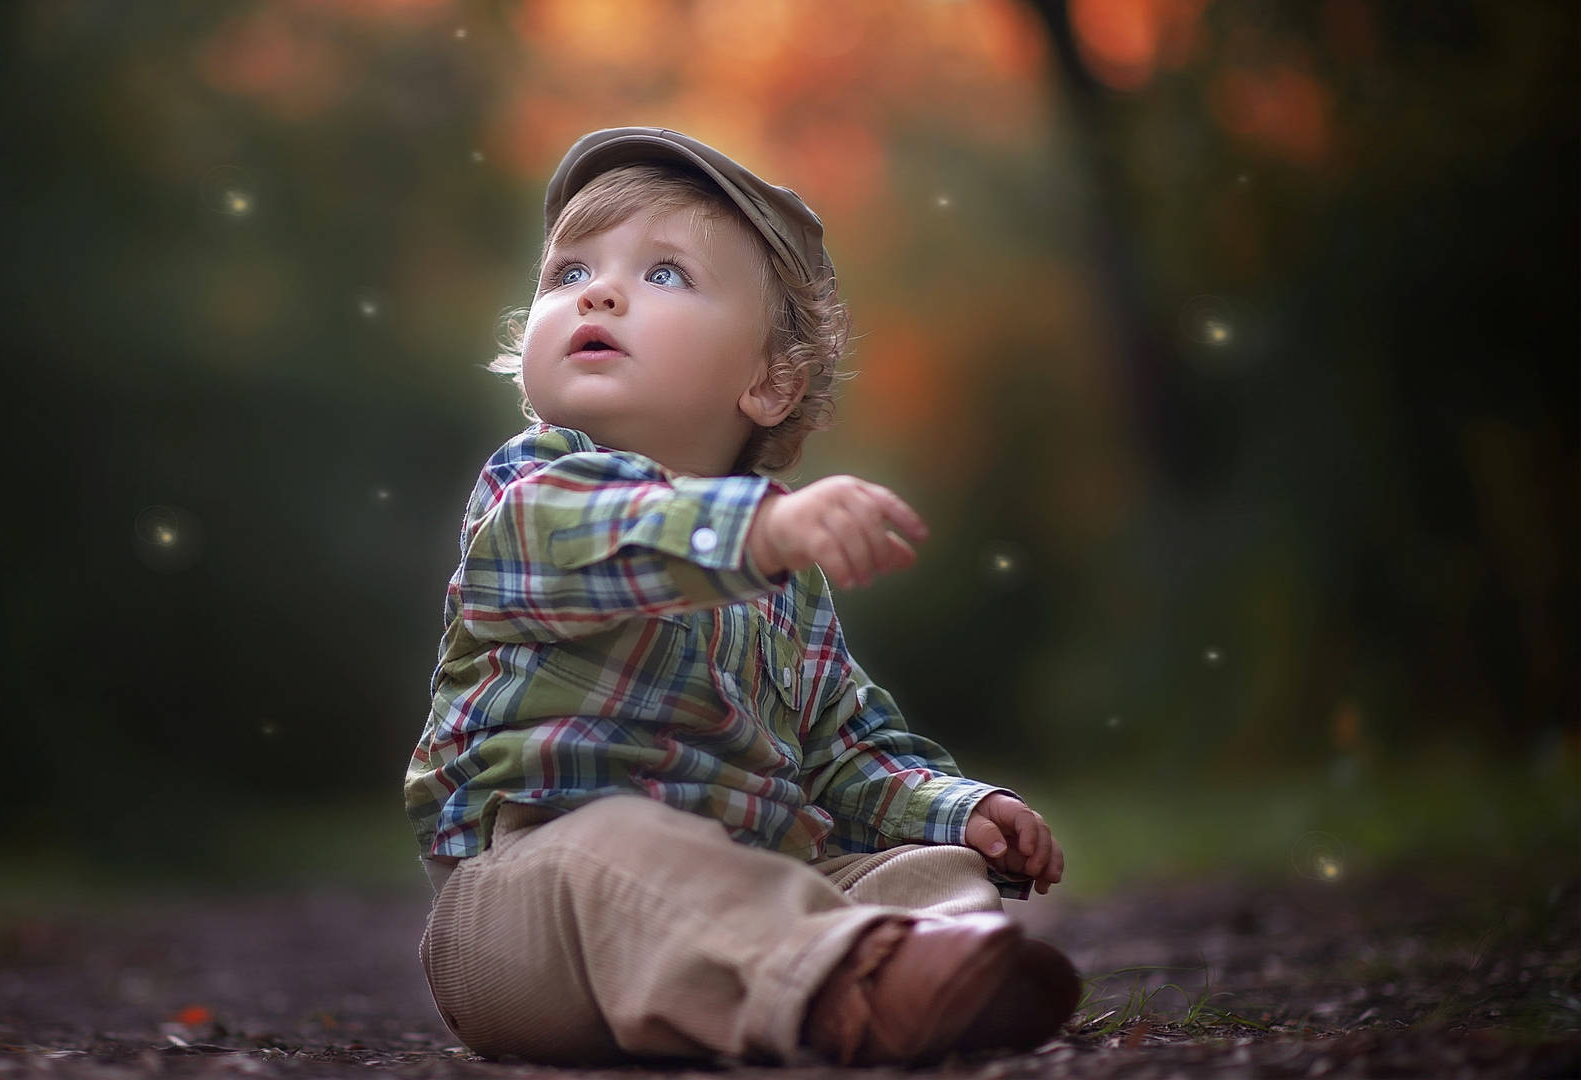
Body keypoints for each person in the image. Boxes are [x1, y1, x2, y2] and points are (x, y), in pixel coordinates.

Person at [403, 126, 1079, 1066]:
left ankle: (938, 967)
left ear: (770, 381)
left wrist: (957, 810)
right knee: (622, 848)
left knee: (925, 870)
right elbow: (578, 544)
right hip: (531, 910)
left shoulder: (787, 586)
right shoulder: (532, 487)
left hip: (747, 891)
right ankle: (853, 981)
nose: (595, 292)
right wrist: (754, 533)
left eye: (666, 274)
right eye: (567, 274)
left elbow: (842, 753)